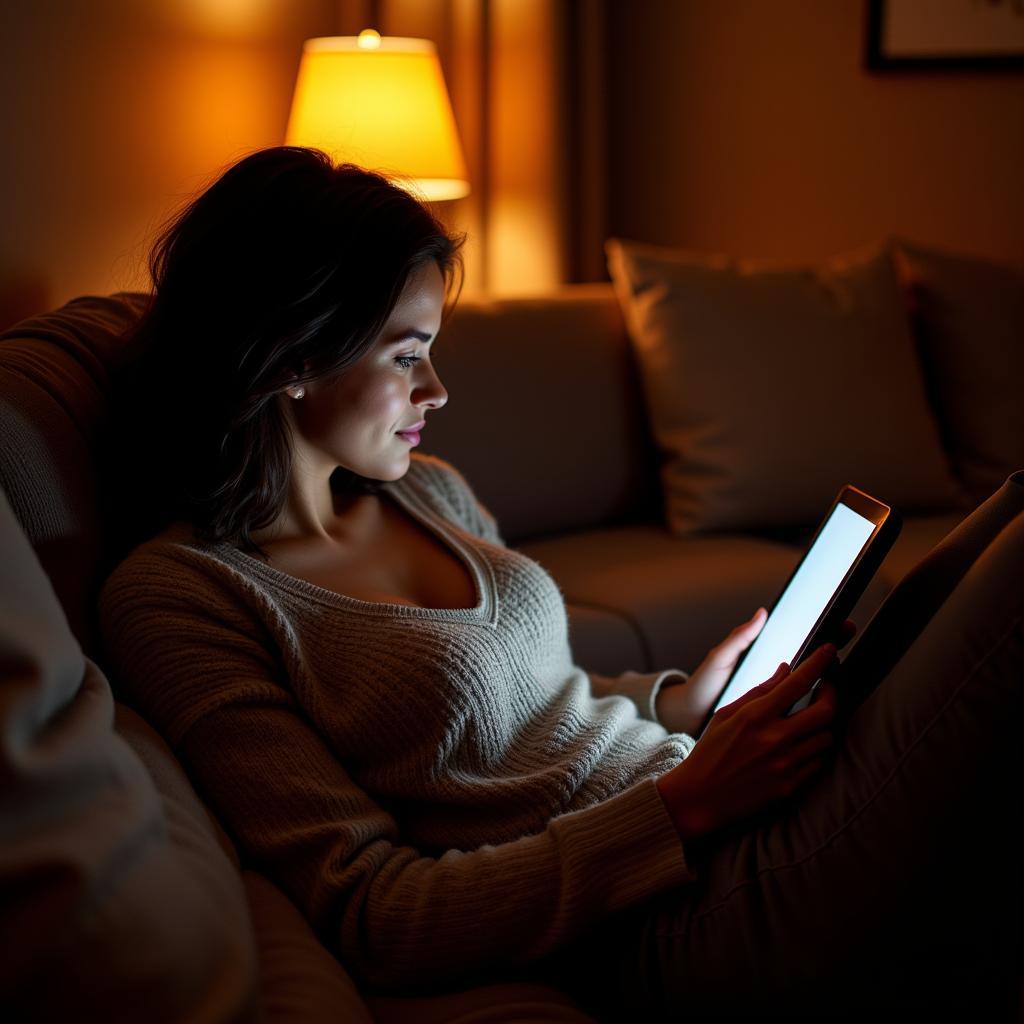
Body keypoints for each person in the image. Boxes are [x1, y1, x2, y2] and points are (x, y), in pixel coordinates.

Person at [98, 146, 1022, 1020]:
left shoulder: (427, 490)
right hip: (672, 907)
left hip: (707, 790)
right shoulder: (185, 597)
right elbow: (373, 913)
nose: (438, 392)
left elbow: (539, 708)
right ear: (292, 357)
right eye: (406, 354)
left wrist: (677, 700)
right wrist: (685, 806)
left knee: (997, 529)